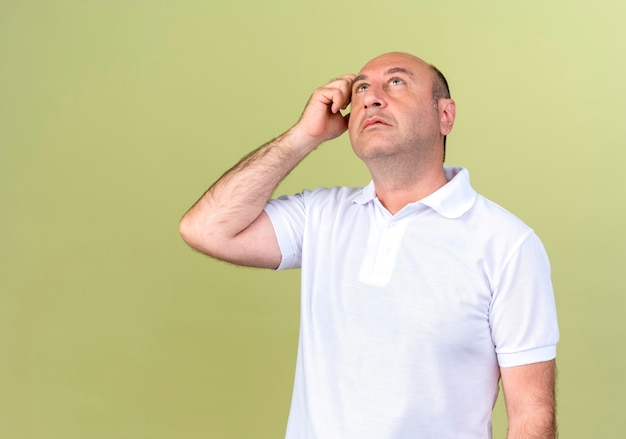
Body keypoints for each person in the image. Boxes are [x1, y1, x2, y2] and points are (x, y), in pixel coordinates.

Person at [179, 52, 559, 438]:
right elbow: (206, 228)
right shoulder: (321, 216)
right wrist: (303, 136)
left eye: (396, 83)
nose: (370, 98)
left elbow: (533, 418)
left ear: (445, 115)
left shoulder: (507, 244)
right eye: (361, 87)